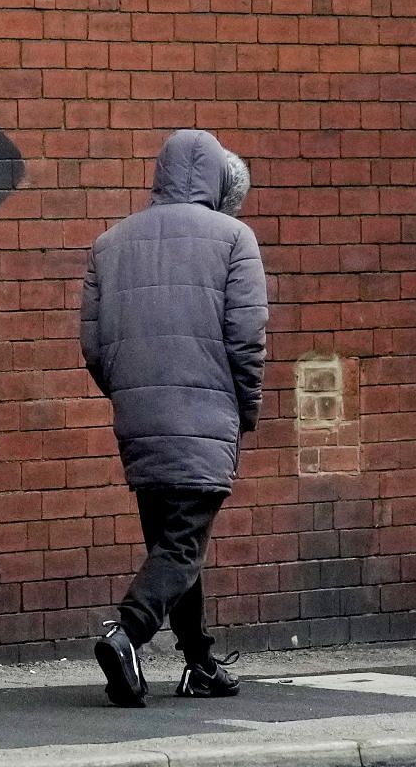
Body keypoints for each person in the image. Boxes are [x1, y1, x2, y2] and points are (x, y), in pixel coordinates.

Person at [80, 130, 266, 708]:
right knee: (183, 546)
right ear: (217, 181)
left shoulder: (110, 243)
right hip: (207, 411)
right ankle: (127, 633)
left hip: (137, 415)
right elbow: (246, 341)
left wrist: (131, 393)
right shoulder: (235, 239)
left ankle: (199, 662)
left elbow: (94, 343)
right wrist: (246, 410)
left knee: (171, 543)